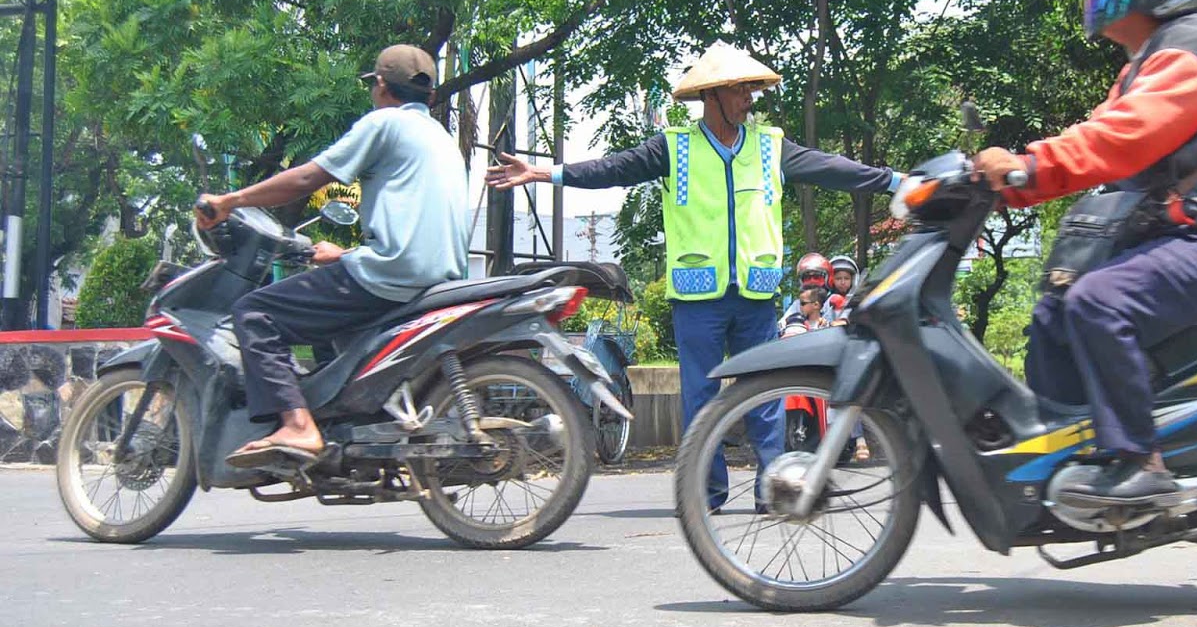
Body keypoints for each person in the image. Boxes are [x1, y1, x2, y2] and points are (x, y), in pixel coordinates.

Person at [488, 41, 902, 509]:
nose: (749, 98)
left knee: (766, 395)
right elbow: (613, 169)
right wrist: (546, 175)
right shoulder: (674, 147)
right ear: (713, 96)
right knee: (701, 399)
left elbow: (831, 168)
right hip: (698, 296)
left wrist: (891, 181)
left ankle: (775, 487)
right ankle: (708, 493)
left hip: (756, 292)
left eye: (750, 88)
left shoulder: (770, 146)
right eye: (740, 89)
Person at [972, 0, 1197, 502]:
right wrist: (1009, 185)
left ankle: (1140, 461)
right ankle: (1077, 455)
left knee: (1099, 300)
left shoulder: (1190, 49)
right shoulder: (1146, 63)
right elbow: (1096, 142)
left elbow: (1118, 141)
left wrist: (1025, 169)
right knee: (1053, 313)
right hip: (1191, 237)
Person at [195, 44, 469, 466]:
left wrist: (231, 200)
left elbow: (308, 177)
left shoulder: (384, 124)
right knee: (323, 326)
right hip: (437, 277)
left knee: (255, 313)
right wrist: (347, 255)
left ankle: (299, 427)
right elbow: (417, 227)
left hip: (390, 278)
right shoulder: (443, 140)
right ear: (428, 95)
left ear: (380, 85)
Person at [823, 254, 857, 324]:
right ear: (831, 280)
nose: (843, 282)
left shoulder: (858, 300)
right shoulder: (826, 301)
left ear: (853, 280)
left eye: (847, 278)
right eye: (838, 279)